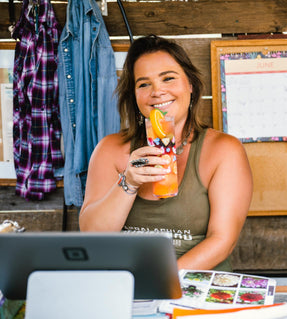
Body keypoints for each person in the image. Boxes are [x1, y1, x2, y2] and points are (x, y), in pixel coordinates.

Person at [79, 35, 253, 272]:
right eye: (143, 84)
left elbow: (222, 241)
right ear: (135, 96)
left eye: (168, 78)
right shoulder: (110, 150)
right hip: (126, 282)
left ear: (190, 85)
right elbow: (92, 235)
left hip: (194, 287)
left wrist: (161, 281)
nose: (157, 91)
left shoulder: (224, 150)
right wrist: (128, 183)